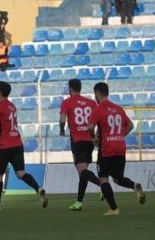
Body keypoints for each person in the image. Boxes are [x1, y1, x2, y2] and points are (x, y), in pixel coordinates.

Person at [0, 81, 46, 213]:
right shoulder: (12, 106)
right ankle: (38, 188)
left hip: (5, 145)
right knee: (21, 173)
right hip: (17, 144)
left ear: (0, 92)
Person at [87, 82, 146, 216]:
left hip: (107, 149)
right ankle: (134, 185)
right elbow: (130, 125)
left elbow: (90, 127)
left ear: (97, 93)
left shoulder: (98, 108)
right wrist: (119, 135)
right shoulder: (118, 108)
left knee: (103, 179)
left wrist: (93, 138)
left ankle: (114, 209)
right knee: (118, 178)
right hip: (120, 148)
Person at [59, 79, 101, 211]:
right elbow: (98, 122)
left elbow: (62, 119)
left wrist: (61, 129)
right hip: (89, 141)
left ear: (70, 89)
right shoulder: (91, 103)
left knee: (82, 172)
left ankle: (103, 185)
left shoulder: (67, 102)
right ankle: (79, 202)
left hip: (78, 141)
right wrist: (95, 137)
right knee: (83, 173)